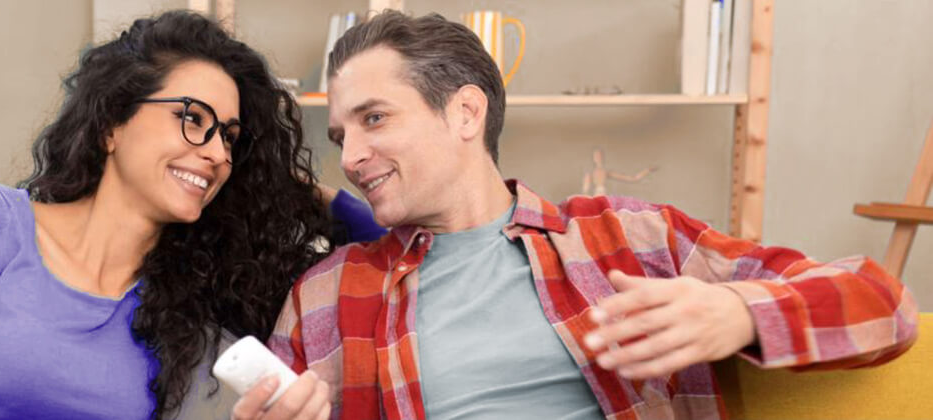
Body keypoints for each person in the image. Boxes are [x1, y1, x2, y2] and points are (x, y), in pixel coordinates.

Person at [234, 11, 919, 420]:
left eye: (374, 119)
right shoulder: (327, 292)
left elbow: (883, 305)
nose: (351, 156)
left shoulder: (630, 240)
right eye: (339, 136)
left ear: (466, 112)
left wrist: (740, 313)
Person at [0, 11, 368, 420]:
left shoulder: (183, 309)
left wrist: (302, 190)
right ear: (111, 124)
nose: (218, 152)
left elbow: (404, 239)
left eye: (230, 137)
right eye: (193, 118)